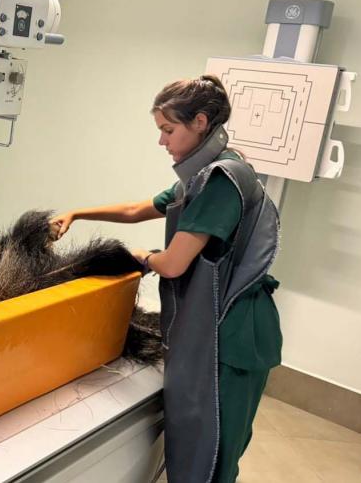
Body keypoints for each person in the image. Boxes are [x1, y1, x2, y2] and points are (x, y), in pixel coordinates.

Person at [51, 75, 282, 483]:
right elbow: (137, 209)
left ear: (199, 121)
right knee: (195, 446)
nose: (162, 142)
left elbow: (174, 263)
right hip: (215, 328)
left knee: (210, 453)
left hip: (231, 336)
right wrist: (78, 212)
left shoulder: (222, 182)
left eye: (168, 130)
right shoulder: (204, 175)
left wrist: (139, 256)